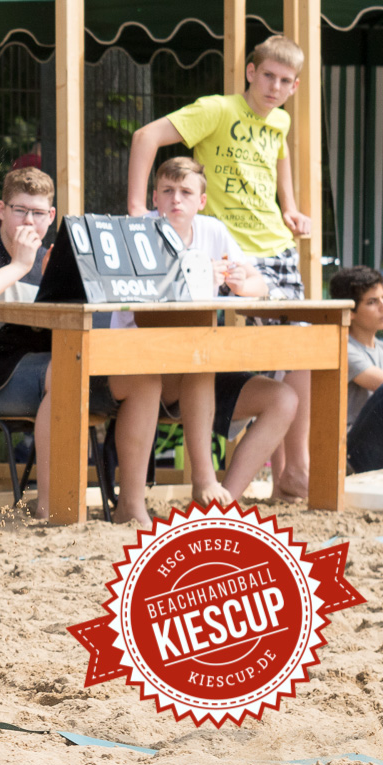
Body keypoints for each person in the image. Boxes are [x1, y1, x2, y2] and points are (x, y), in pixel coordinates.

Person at [126, 35, 314, 501]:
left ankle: (294, 470)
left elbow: (277, 166)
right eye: (268, 75)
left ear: (294, 87)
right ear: (250, 72)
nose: (275, 87)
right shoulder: (217, 109)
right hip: (226, 252)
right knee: (217, 350)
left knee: (306, 351)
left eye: (285, 81)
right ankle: (218, 479)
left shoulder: (281, 120)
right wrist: (134, 208)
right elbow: (146, 135)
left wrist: (289, 207)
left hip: (276, 249)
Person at [0, 167, 162, 526]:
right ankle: (51, 507)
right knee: (65, 373)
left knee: (143, 379)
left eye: (38, 213)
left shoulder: (55, 259)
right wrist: (20, 265)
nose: (29, 220)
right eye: (20, 210)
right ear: (1, 210)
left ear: (51, 216)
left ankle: (130, 507)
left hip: (42, 370)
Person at [116, 157, 296, 506]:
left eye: (185, 192)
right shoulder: (137, 230)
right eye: (167, 191)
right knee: (201, 349)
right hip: (142, 365)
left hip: (200, 365)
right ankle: (204, 480)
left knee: (283, 398)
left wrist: (244, 283)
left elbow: (260, 282)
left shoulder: (213, 231)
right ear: (154, 198)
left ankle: (222, 501)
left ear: (201, 201)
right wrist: (195, 280)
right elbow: (132, 300)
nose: (175, 200)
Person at [330, 265, 383, 473]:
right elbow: (378, 382)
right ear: (350, 312)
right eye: (372, 302)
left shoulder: (380, 347)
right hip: (352, 451)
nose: (382, 306)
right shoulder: (344, 348)